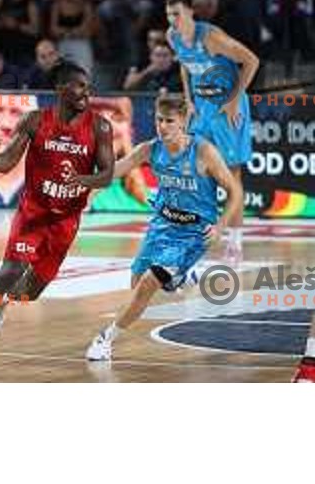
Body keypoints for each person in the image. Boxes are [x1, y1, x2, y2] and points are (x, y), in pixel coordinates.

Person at [0, 60, 115, 372]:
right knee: (10, 271)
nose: (85, 93)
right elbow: (8, 161)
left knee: (30, 292)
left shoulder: (99, 126)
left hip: (65, 222)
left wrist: (83, 181)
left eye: (88, 87)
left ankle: (3, 303)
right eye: (79, 86)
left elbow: (106, 175)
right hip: (33, 214)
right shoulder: (35, 121)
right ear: (60, 89)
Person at [86, 94, 243, 361]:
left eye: (169, 121)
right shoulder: (150, 149)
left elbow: (235, 192)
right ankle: (178, 279)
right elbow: (116, 170)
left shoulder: (204, 152)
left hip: (193, 233)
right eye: (159, 120)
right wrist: (86, 185)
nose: (163, 126)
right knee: (136, 286)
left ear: (184, 121)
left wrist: (220, 227)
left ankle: (105, 338)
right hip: (162, 225)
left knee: (148, 284)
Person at [165, 0, 259, 263]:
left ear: (190, 12)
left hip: (226, 108)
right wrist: (188, 98)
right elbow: (185, 64)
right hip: (202, 107)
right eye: (169, 15)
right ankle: (194, 235)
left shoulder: (211, 38)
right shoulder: (172, 37)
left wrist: (233, 101)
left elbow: (252, 61)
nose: (173, 20)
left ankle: (235, 241)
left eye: (177, 14)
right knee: (194, 169)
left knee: (231, 175)